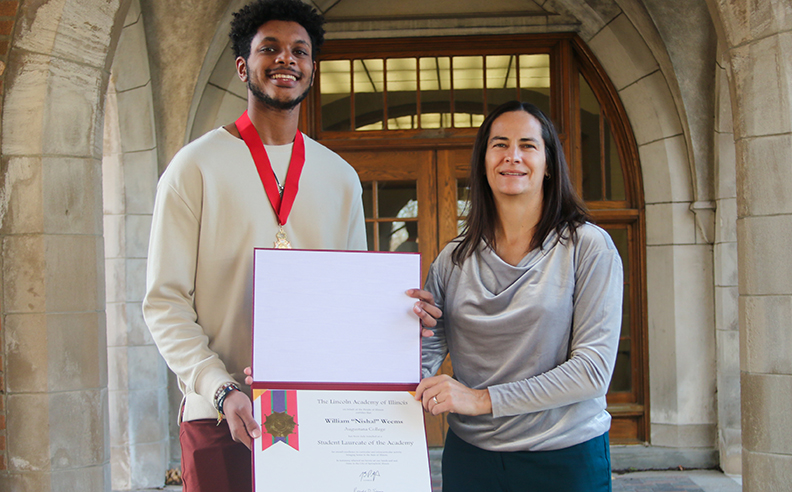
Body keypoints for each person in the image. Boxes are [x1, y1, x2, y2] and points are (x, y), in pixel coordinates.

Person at [142, 1, 405, 490]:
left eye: (299, 51)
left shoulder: (339, 178)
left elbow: (349, 302)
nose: (286, 59)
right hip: (220, 414)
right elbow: (165, 303)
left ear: (311, 69)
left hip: (314, 413)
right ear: (244, 66)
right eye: (270, 48)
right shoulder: (193, 168)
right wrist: (218, 388)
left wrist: (402, 310)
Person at [413, 101, 624, 491]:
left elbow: (593, 372)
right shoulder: (452, 260)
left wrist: (480, 400)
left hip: (564, 458)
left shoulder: (588, 247)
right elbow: (420, 362)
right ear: (483, 162)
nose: (513, 156)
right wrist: (403, 328)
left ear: (549, 165)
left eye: (528, 145)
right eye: (500, 144)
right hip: (472, 460)